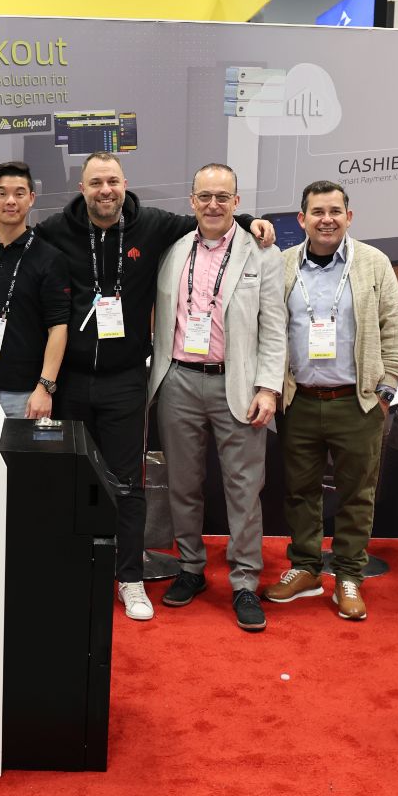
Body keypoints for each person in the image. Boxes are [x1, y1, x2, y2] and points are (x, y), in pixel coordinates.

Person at [0, 153, 275, 622]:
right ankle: (73, 571)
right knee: (69, 481)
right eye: (96, 183)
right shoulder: (56, 231)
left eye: (113, 182)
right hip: (69, 381)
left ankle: (130, 578)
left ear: (125, 185)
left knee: (128, 484)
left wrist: (249, 220)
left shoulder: (155, 226)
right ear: (81, 189)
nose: (105, 190)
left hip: (126, 380)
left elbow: (211, 219)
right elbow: (11, 227)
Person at [265, 179, 398, 622]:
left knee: (356, 494)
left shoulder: (373, 263)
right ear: (302, 219)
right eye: (317, 212)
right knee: (300, 492)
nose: (326, 219)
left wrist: (385, 391)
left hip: (357, 402)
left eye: (334, 211)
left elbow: (397, 328)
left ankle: (349, 575)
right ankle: (306, 568)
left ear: (349, 217)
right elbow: (269, 330)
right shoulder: (283, 265)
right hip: (300, 401)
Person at [149, 164, 286, 631]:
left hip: (239, 384)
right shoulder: (171, 250)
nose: (213, 205)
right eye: (204, 196)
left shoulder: (263, 254)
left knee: (244, 489)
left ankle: (244, 581)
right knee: (183, 484)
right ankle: (191, 568)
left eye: (222, 197)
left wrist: (268, 388)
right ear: (192, 201)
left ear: (237, 202)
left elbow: (275, 329)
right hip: (179, 381)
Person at [0, 162, 71, 417]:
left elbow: (58, 327)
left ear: (31, 199)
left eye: (19, 193)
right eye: (2, 193)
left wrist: (45, 387)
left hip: (24, 393)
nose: (10, 201)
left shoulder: (49, 258)